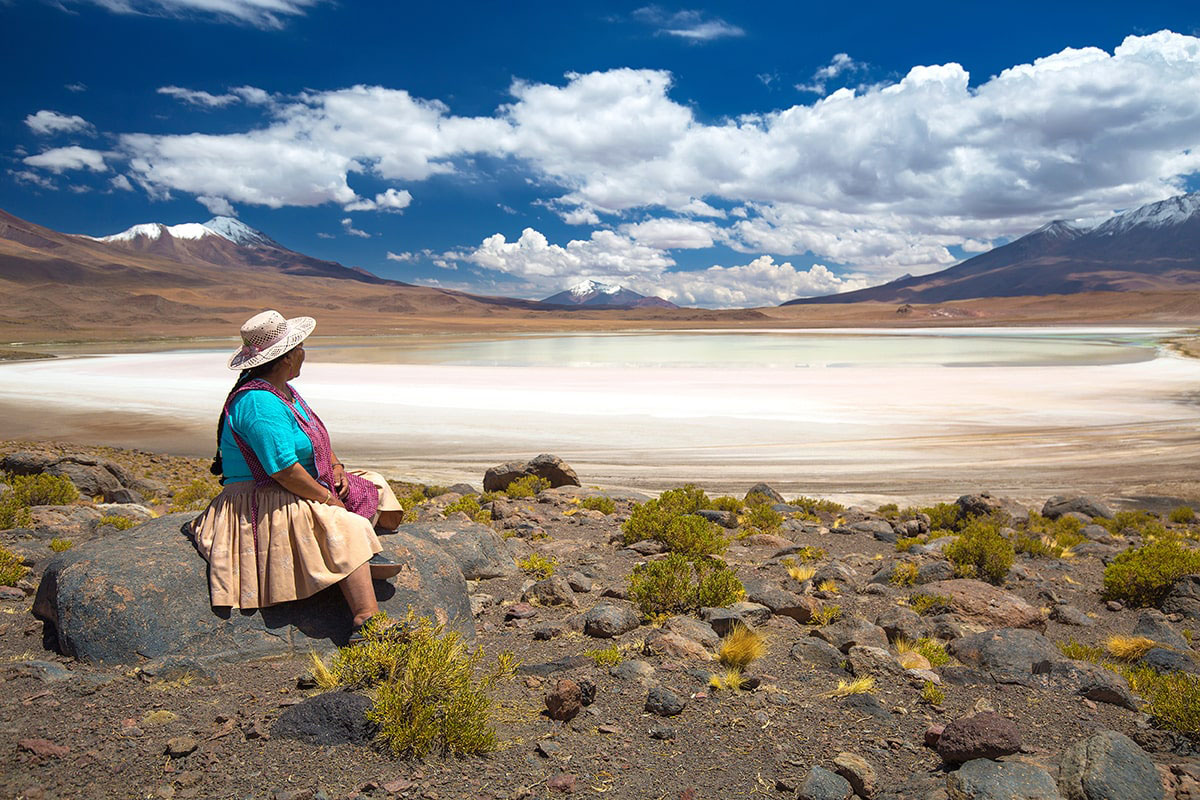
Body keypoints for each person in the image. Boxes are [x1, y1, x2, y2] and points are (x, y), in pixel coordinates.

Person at [190, 310, 405, 642]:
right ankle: (366, 620)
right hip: (262, 492)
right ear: (288, 357)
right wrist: (327, 498)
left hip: (298, 479)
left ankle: (351, 557)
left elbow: (315, 436)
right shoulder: (260, 403)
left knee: (372, 482)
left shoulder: (283, 391)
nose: (305, 351)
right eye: (301, 346)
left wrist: (334, 467)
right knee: (342, 522)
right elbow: (283, 470)